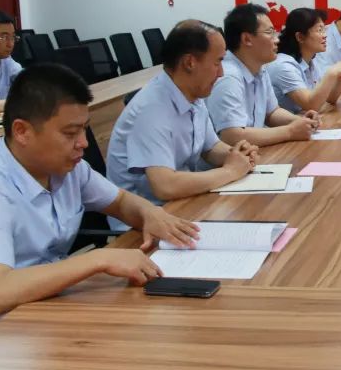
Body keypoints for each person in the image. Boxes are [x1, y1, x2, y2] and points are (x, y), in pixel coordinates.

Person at [0, 63, 200, 337]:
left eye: (84, 129)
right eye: (70, 133)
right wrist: (98, 259)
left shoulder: (67, 167)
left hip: (48, 306)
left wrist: (149, 213)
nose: (83, 143)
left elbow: (120, 201)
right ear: (22, 131)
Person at [105, 20, 258, 230]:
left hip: (180, 206)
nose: (221, 73)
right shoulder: (151, 110)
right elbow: (165, 186)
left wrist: (237, 155)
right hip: (142, 226)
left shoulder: (193, 94)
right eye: (217, 62)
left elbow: (210, 148)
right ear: (189, 63)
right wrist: (230, 171)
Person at [205, 3, 320, 147]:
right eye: (270, 32)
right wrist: (290, 131)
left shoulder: (259, 68)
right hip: (231, 158)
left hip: (253, 154)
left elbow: (271, 113)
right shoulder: (228, 77)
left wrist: (300, 121)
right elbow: (232, 136)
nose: (277, 39)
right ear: (247, 39)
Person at [269, 8, 341, 114]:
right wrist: (332, 73)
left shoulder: (310, 61)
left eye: (324, 29)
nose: (325, 35)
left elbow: (330, 99)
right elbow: (311, 105)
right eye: (319, 30)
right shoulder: (284, 66)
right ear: (300, 37)